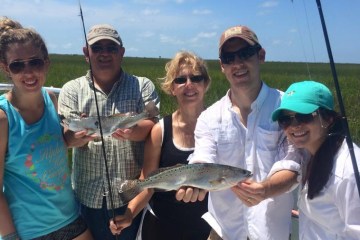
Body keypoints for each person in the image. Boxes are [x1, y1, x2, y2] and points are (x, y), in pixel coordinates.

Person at [176, 25, 304, 240]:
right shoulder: (209, 117)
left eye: (245, 54)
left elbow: (294, 165)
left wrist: (266, 189)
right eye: (229, 57)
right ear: (222, 66)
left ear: (260, 55)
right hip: (223, 232)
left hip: (272, 233)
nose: (237, 63)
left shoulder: (286, 108)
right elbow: (202, 159)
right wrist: (192, 183)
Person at [58, 23, 160, 240]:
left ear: (121, 53)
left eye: (111, 48)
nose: (104, 54)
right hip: (87, 196)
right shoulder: (71, 89)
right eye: (97, 48)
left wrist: (133, 130)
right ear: (87, 53)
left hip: (130, 197)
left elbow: (152, 126)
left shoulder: (142, 86)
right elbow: (67, 136)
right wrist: (77, 137)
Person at [0, 17, 92, 239]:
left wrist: (77, 136)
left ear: (46, 63)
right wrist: (11, 236)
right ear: (6, 69)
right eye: (18, 65)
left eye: (35, 62)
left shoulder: (50, 98)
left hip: (70, 217)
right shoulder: (3, 118)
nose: (29, 72)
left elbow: (58, 142)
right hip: (29, 231)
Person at [109, 51, 212, 239]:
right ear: (172, 88)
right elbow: (147, 182)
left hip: (205, 229)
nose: (189, 84)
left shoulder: (219, 125)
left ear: (205, 84)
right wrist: (129, 214)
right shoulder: (160, 130)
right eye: (180, 80)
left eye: (196, 78)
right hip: (160, 226)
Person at [271, 80, 360, 239]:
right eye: (286, 120)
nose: (294, 125)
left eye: (304, 116)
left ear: (328, 119)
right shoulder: (311, 153)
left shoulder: (349, 172)